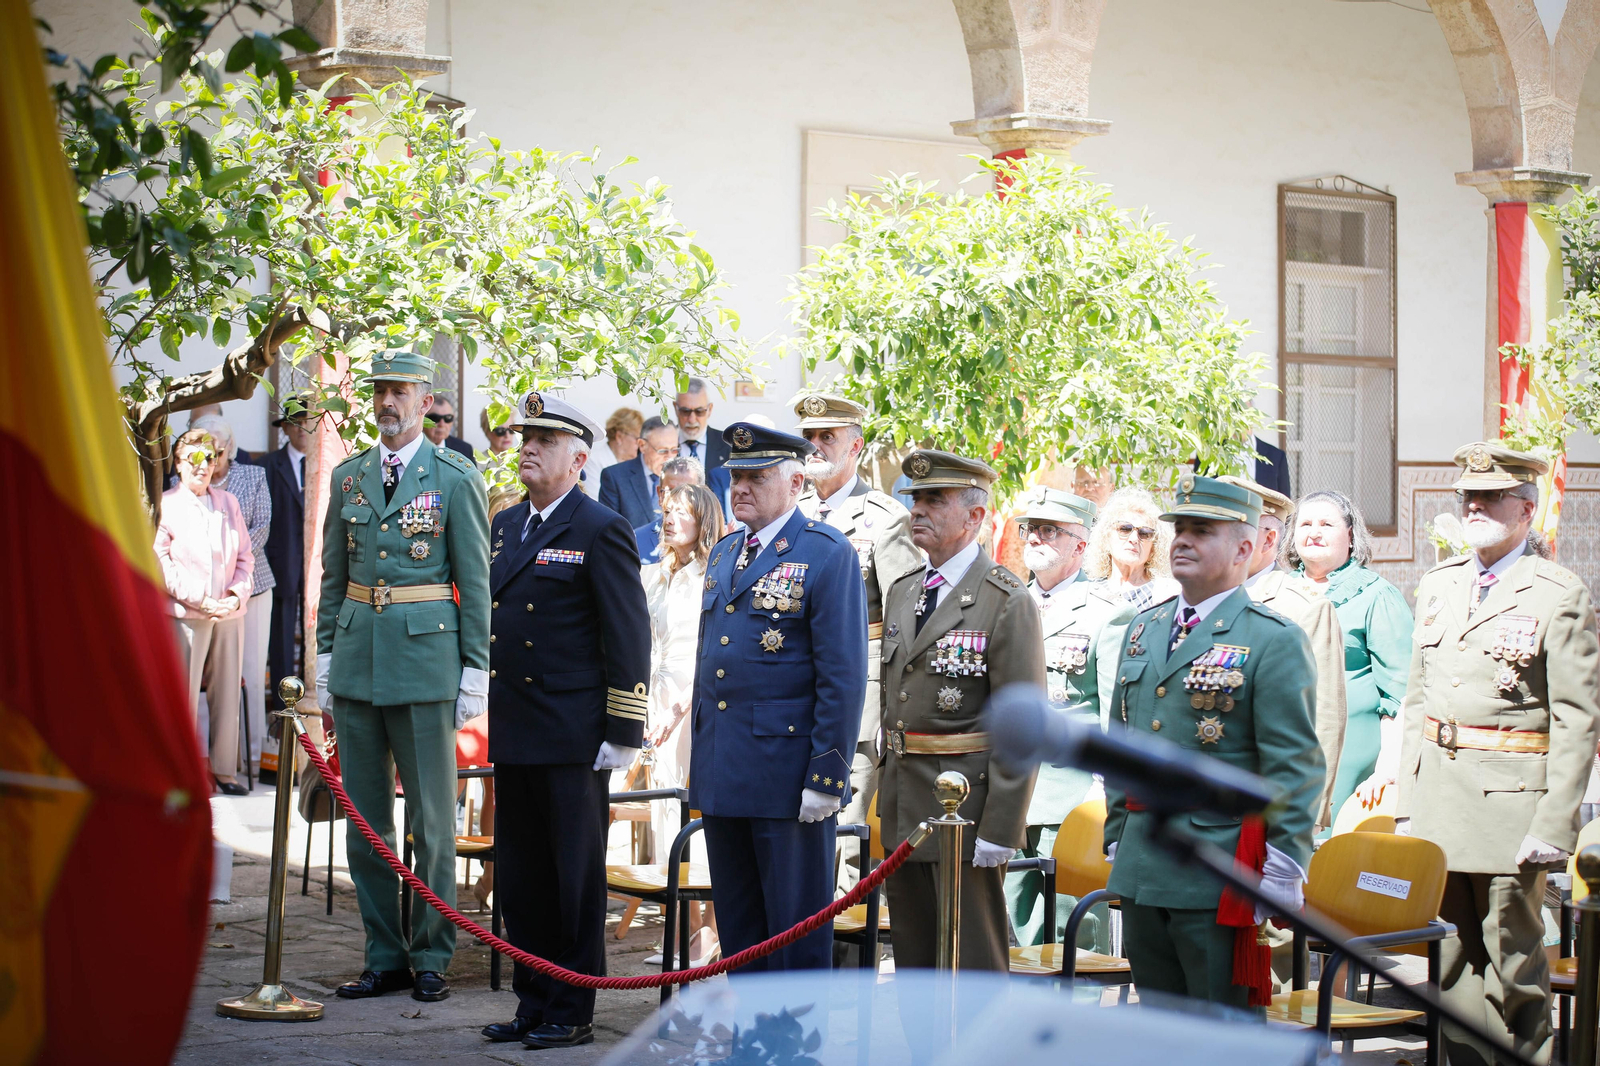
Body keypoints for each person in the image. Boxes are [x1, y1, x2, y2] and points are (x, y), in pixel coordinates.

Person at [1395, 442, 1600, 1065]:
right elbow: (1417, 702)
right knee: (1451, 962)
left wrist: (1554, 823)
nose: (1475, 507)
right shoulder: (1440, 584)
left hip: (1513, 811)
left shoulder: (1556, 593)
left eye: (1491, 497)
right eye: (1467, 497)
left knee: (1514, 965)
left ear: (1526, 510)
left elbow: (1576, 718)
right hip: (1440, 803)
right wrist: (1407, 804)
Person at [1103, 474, 1322, 1008]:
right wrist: (1117, 830)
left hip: (1217, 868)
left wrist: (1284, 863)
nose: (1182, 540)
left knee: (1221, 1027)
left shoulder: (1271, 638)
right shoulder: (1144, 627)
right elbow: (1121, 741)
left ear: (1244, 549)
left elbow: (1294, 764)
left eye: (1202, 531)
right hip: (1143, 859)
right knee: (1161, 1024)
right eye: (1179, 529)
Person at [477, 390, 651, 1050]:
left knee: (572, 878)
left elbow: (627, 635)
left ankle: (572, 1008)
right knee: (522, 876)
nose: (528, 449)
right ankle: (533, 1000)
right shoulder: (506, 524)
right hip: (518, 725)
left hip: (574, 733)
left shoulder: (599, 527)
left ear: (578, 459)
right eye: (526, 439)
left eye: (544, 441)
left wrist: (624, 731)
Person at [315, 350, 490, 1005]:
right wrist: (325, 656)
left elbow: (475, 583)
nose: (389, 402)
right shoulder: (350, 477)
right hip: (358, 663)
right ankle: (383, 955)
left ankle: (431, 954)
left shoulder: (455, 478)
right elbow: (334, 576)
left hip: (425, 665)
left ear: (425, 400)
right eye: (381, 391)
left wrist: (475, 669)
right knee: (366, 825)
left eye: (401, 391)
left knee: (433, 825)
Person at [690, 422, 865, 972]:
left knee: (793, 934)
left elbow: (842, 677)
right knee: (740, 932)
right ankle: (750, 1026)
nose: (740, 487)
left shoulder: (826, 553)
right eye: (736, 476)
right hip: (725, 770)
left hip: (787, 777)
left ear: (795, 483)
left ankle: (794, 1032)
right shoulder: (724, 552)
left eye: (757, 477)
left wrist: (827, 776)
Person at [878, 450, 1044, 972]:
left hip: (966, 811)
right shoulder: (904, 590)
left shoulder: (1006, 599)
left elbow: (1022, 728)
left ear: (975, 516)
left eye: (935, 499)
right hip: (905, 802)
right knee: (915, 959)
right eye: (916, 499)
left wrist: (1001, 827)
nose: (917, 510)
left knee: (971, 963)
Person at [792, 392, 922, 898]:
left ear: (855, 446)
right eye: (808, 436)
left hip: (858, 700)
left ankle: (841, 947)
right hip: (789, 693)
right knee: (792, 835)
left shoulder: (886, 518)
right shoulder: (791, 509)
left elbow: (904, 623)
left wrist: (893, 710)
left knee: (843, 839)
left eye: (827, 436)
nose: (815, 446)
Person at [1005, 486, 1133, 949]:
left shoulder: (1106, 614)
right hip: (1007, 788)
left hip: (1069, 795)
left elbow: (1115, 713)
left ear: (1080, 545)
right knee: (1016, 924)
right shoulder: (1006, 601)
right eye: (1030, 529)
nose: (1035, 538)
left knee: (1073, 934)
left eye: (1050, 530)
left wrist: (1102, 791)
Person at [1218, 475, 1349, 830]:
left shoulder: (1303, 609)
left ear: (1269, 539)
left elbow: (1322, 721)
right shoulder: (1196, 601)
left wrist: (1304, 820)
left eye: (1233, 529)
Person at [1285, 488, 1413, 817]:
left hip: (1351, 762)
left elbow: (1401, 693)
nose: (1314, 532)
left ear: (1351, 535)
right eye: (1305, 524)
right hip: (1282, 753)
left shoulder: (1376, 596)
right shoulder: (1276, 593)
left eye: (1326, 524)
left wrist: (1388, 768)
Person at [640, 481, 726, 964]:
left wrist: (681, 706)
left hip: (697, 696)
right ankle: (679, 929)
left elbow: (711, 647)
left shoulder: (713, 574)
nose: (670, 519)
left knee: (702, 813)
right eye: (667, 510)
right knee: (663, 812)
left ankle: (709, 932)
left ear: (703, 520)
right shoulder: (651, 575)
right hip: (655, 695)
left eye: (682, 512)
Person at [155, 429, 255, 795]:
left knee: (227, 694)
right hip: (186, 614)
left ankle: (225, 772)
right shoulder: (166, 504)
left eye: (209, 458)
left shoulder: (228, 502)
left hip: (228, 613)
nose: (203, 466)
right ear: (178, 464)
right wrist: (201, 600)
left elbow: (246, 557)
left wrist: (235, 597)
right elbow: (161, 563)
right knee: (181, 695)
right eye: (194, 458)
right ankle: (178, 772)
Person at [192, 414, 275, 777]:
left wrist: (229, 567)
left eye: (218, 448)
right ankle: (204, 758)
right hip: (200, 594)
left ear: (230, 446)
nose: (212, 456)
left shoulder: (253, 476)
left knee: (251, 674)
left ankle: (251, 759)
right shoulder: (187, 481)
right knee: (203, 676)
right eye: (204, 448)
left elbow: (262, 528)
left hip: (252, 586)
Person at [263, 396, 310, 722]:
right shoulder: (269, 465)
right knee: (280, 632)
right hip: (281, 561)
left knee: (315, 630)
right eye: (296, 422)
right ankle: (282, 707)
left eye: (308, 422)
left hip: (317, 561)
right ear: (286, 428)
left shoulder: (326, 464)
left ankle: (311, 700)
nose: (303, 428)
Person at [1084, 487, 1179, 611]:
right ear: (1106, 538)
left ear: (1153, 548)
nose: (1134, 539)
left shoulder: (1168, 595)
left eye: (1145, 533)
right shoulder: (1087, 591)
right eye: (1124, 529)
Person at [600, 415, 679, 530]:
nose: (670, 457)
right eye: (662, 451)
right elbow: (609, 529)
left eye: (674, 450)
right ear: (642, 445)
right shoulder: (615, 477)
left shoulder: (685, 476)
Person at [634, 456, 704, 564]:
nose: (679, 498)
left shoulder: (719, 540)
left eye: (687, 491)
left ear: (703, 495)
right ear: (660, 495)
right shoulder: (636, 540)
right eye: (671, 491)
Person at [674, 378, 730, 470]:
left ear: (710, 409)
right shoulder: (661, 444)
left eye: (699, 411)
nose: (692, 420)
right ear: (676, 408)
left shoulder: (729, 445)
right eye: (685, 411)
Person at [423, 395, 476, 462]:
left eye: (448, 418)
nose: (442, 424)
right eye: (435, 418)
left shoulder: (464, 450)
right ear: (422, 419)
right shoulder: (413, 447)